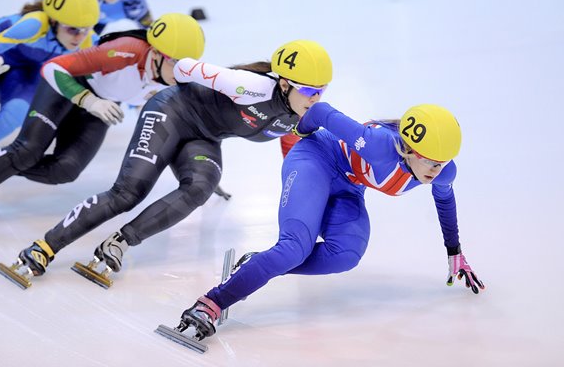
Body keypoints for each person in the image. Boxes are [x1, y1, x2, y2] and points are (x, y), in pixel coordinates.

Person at [0, 39, 334, 289]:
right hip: (171, 113)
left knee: (199, 188)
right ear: (286, 82)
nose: (316, 98)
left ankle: (119, 242)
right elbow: (187, 67)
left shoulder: (301, 116)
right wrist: (166, 88)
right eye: (309, 90)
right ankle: (44, 247)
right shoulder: (253, 85)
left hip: (203, 139)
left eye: (322, 91)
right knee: (129, 192)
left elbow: (294, 157)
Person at [171, 102, 485, 341]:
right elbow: (320, 111)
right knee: (294, 248)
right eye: (429, 160)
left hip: (348, 186)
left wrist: (454, 249)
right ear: (407, 148)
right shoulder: (377, 145)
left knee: (346, 254)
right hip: (315, 159)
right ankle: (210, 304)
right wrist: (300, 136)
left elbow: (444, 200)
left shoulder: (444, 171)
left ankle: (258, 264)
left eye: (442, 162)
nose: (436, 170)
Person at [0, 13, 204, 210]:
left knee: (64, 170)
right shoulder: (125, 50)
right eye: (176, 62)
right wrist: (89, 101)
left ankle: (3, 164)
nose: (182, 71)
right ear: (156, 53)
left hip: (101, 106)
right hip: (69, 87)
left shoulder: (177, 77)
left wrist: (193, 169)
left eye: (187, 65)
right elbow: (53, 68)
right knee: (27, 151)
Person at [0, 0, 100, 158]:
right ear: (53, 21)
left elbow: (119, 69)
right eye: (72, 29)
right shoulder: (32, 26)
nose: (79, 37)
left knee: (15, 116)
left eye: (85, 29)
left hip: (28, 70)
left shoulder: (90, 41)